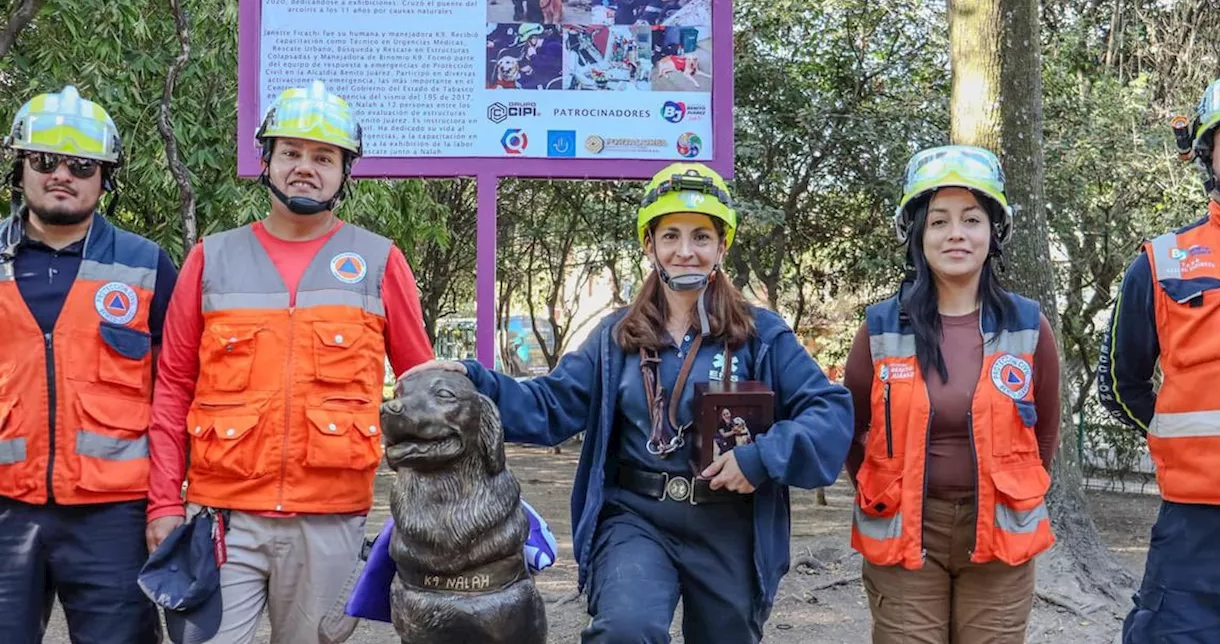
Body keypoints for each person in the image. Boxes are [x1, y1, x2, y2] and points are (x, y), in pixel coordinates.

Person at [414, 162, 853, 643]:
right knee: (625, 628)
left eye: (701, 237)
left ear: (722, 245)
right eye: (671, 236)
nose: (686, 251)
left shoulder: (762, 336)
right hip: (637, 516)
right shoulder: (615, 336)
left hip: (730, 525)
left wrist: (762, 457)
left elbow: (828, 411)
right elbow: (553, 403)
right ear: (650, 245)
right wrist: (476, 383)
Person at [145, 80, 436, 643]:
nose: (306, 167)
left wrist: (428, 508)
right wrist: (163, 503)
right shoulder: (211, 259)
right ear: (268, 161)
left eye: (323, 156)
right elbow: (173, 388)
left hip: (330, 520)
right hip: (222, 519)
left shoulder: (380, 261)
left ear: (345, 171)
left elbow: (421, 394)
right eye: (292, 153)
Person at [845, 145, 1061, 643]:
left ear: (994, 232)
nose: (956, 234)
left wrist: (1014, 488)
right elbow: (852, 427)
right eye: (939, 221)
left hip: (1001, 531)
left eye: (971, 219)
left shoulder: (1027, 325)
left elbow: (1044, 428)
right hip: (904, 530)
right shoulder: (879, 328)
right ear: (917, 234)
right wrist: (884, 488)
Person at [1098, 69, 1220, 643]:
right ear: (1206, 155)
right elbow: (1121, 383)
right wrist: (1176, 440)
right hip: (1196, 530)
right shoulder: (1159, 262)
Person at [0, 85, 179, 642]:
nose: (62, 175)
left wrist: (168, 504)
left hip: (114, 519)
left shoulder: (147, 266)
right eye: (45, 160)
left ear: (105, 177)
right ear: (20, 168)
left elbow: (175, 391)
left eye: (82, 165)